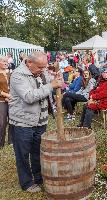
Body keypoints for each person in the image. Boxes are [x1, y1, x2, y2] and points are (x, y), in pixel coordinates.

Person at [9, 51, 62, 192]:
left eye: (44, 67)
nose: (42, 70)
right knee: (23, 155)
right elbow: (29, 96)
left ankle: (39, 178)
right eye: (40, 67)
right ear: (29, 62)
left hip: (40, 121)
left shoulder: (40, 72)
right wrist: (51, 86)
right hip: (23, 122)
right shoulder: (18, 75)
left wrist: (55, 78)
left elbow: (51, 80)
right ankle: (27, 183)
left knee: (38, 151)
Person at [0, 55, 10, 147]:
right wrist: (6, 95)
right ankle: (1, 143)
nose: (6, 63)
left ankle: (11, 141)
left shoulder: (8, 73)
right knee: (2, 123)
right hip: (1, 101)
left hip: (11, 100)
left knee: (12, 121)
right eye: (3, 61)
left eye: (6, 61)